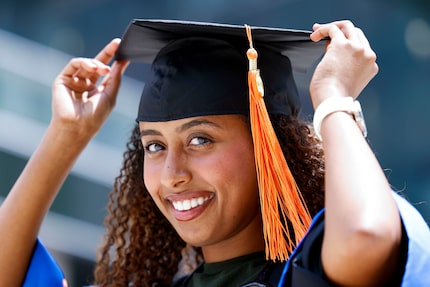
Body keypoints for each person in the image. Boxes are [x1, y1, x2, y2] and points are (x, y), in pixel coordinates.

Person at [0, 19, 429, 287]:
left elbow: (366, 236)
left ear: (269, 147)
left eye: (200, 139)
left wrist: (334, 100)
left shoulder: (310, 274)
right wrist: (66, 137)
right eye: (154, 145)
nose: (172, 173)